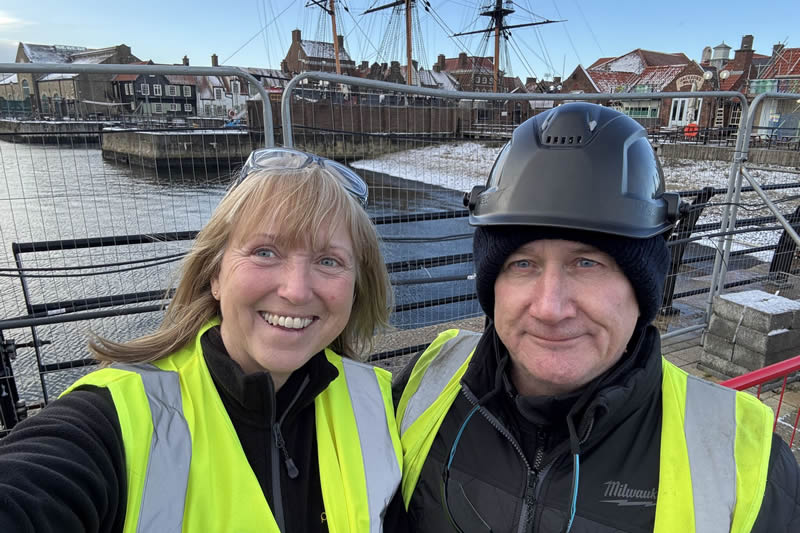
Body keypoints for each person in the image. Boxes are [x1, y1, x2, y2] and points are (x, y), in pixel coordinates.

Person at [393, 103, 800, 532]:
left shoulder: (746, 462)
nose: (550, 308)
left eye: (587, 264)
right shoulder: (426, 381)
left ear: (643, 291)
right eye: (523, 264)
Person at [0, 147, 405, 532]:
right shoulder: (119, 419)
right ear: (215, 275)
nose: (297, 290)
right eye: (265, 252)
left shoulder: (379, 402)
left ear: (356, 287)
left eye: (329, 261)